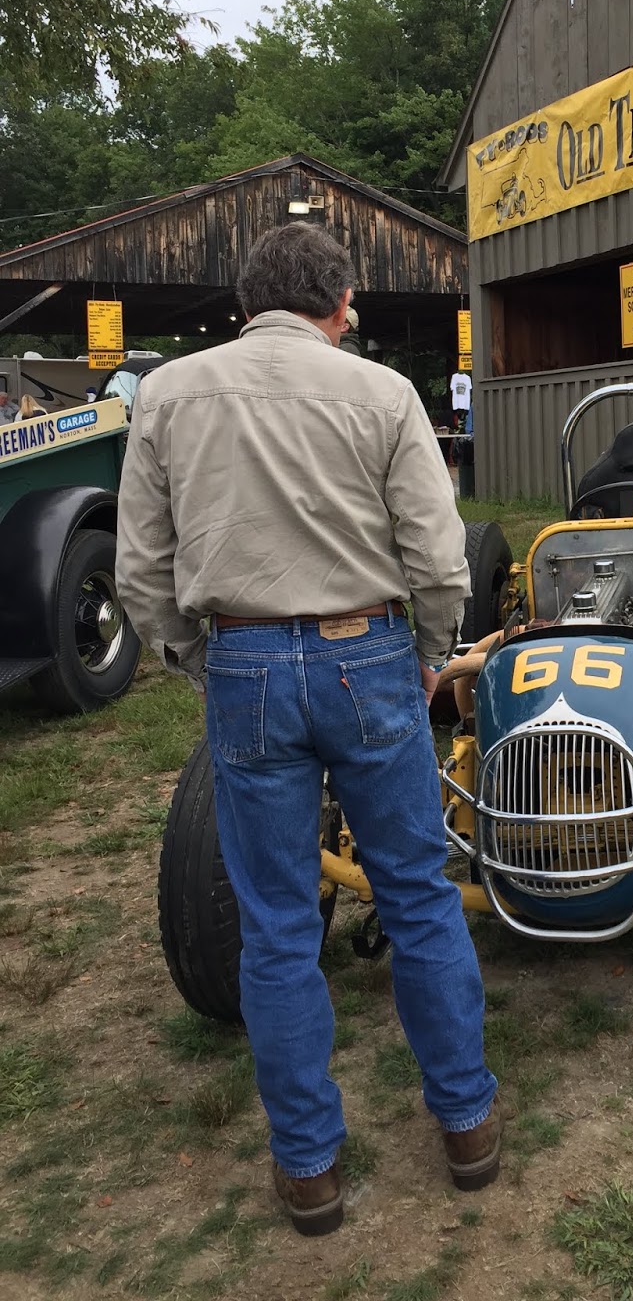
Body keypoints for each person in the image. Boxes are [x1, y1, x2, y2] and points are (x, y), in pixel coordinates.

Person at [115, 222, 499, 1238]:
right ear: (341, 303)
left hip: (242, 657)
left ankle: (309, 1171)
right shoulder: (383, 393)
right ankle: (466, 1126)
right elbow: (438, 555)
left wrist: (195, 659)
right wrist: (432, 651)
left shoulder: (167, 394)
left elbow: (140, 566)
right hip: (367, 653)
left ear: (247, 303)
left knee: (278, 924)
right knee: (418, 896)